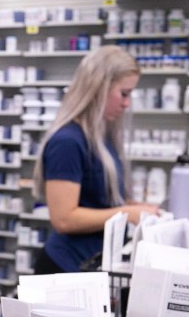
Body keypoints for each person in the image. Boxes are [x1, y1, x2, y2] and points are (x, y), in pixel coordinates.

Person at [32, 46, 159, 274]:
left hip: (91, 264)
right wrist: (127, 213)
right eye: (124, 93)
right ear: (99, 88)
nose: (127, 104)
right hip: (65, 268)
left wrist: (138, 207)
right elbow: (63, 219)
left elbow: (101, 201)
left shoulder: (101, 139)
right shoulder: (68, 142)